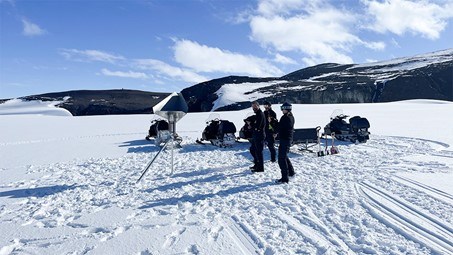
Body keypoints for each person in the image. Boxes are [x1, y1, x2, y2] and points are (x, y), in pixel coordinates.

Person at [276, 102, 295, 184]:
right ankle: (291, 172)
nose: (282, 110)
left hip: (285, 139)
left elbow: (280, 127)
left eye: (283, 109)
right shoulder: (289, 116)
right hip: (286, 139)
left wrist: (274, 123)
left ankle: (285, 178)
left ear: (286, 109)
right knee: (284, 156)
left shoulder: (286, 117)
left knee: (281, 159)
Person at [250, 101, 265, 172]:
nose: (254, 108)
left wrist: (251, 125)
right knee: (253, 150)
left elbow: (258, 126)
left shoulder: (260, 114)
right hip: (256, 135)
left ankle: (260, 167)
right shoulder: (257, 114)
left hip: (260, 135)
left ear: (258, 106)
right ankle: (257, 164)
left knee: (259, 152)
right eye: (253, 107)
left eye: (255, 106)